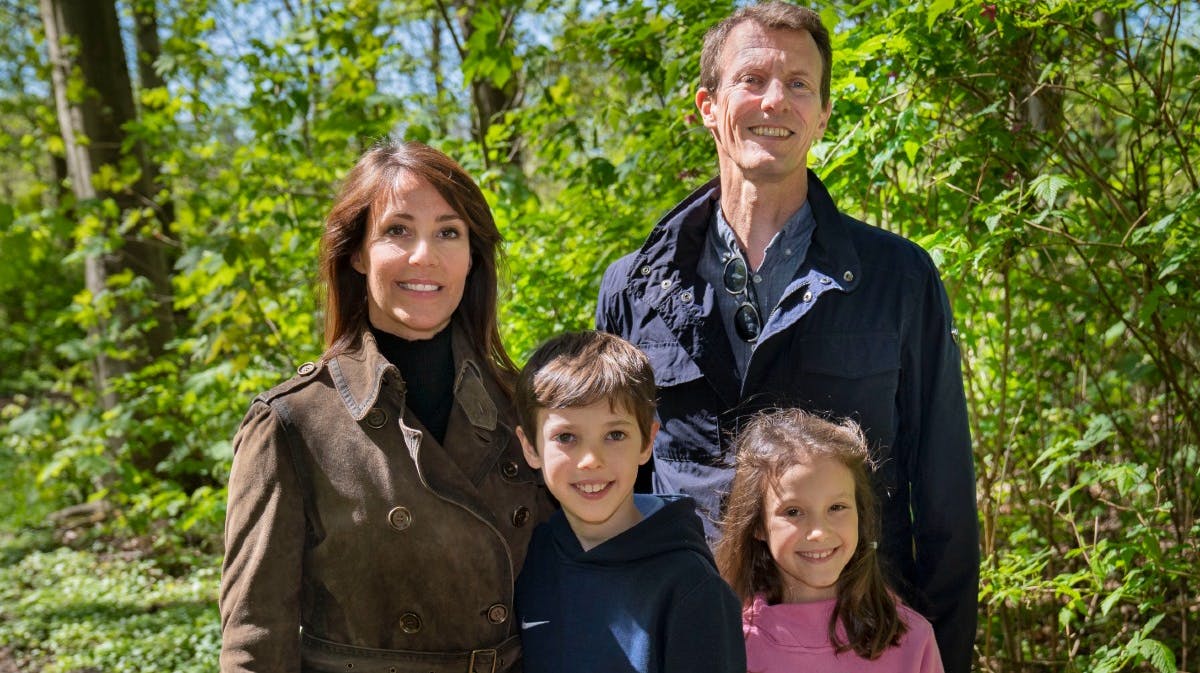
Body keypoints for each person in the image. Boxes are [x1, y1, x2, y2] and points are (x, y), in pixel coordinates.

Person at [595, 2, 978, 671]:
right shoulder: (634, 289)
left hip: (857, 650)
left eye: (799, 84)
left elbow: (943, 500)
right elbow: (605, 495)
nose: (776, 99)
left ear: (824, 113)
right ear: (709, 106)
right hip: (686, 644)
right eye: (752, 80)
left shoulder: (896, 279)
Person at [219, 140, 552, 673]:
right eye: (397, 231)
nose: (425, 255)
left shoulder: (524, 406)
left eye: (449, 232)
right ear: (356, 252)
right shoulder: (292, 422)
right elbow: (255, 641)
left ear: (472, 255)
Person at [512, 330, 746, 673]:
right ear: (530, 447)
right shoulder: (525, 558)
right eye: (566, 437)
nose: (591, 460)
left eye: (615, 435)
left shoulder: (692, 588)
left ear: (647, 442)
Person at [716, 408, 944, 672]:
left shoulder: (912, 639)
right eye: (793, 512)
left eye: (836, 507)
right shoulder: (729, 645)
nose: (819, 532)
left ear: (860, 512)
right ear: (757, 525)